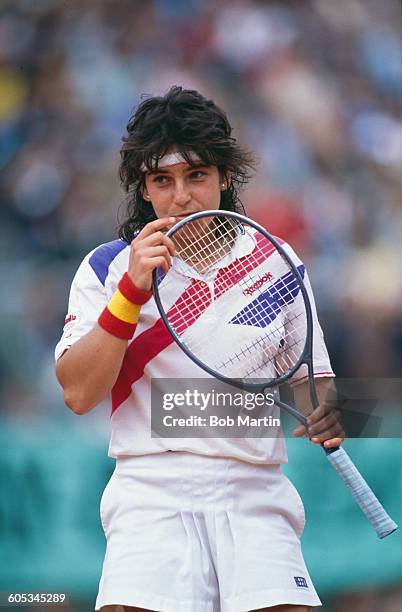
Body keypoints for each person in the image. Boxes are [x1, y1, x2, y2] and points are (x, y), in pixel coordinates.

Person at [55, 86, 344, 612]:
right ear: (143, 187)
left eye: (197, 176)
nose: (181, 196)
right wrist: (131, 294)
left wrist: (329, 411)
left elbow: (313, 387)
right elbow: (77, 394)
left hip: (257, 494)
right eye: (162, 181)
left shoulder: (276, 261)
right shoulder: (107, 268)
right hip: (149, 492)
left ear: (225, 177)